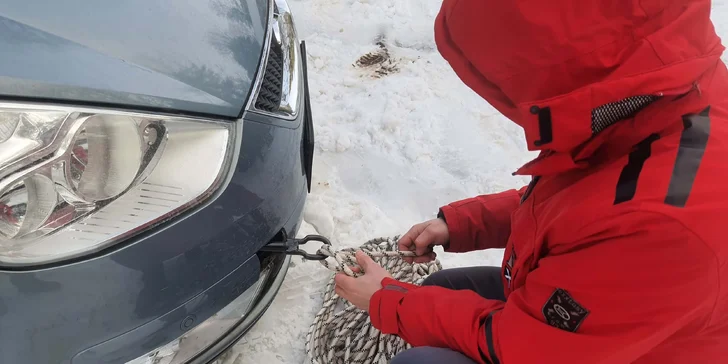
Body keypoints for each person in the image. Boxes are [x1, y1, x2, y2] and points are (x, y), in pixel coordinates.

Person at [332, 0, 728, 363]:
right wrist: (460, 224)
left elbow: (521, 348)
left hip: (619, 349)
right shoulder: (668, 91)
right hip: (603, 316)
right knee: (446, 287)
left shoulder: (665, 230)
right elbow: (591, 202)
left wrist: (389, 303)